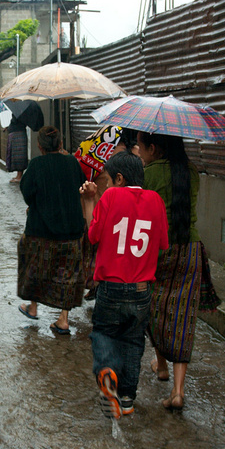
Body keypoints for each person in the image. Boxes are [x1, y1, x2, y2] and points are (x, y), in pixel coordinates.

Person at [80, 151, 169, 419]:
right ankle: (128, 398)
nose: (105, 185)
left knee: (105, 333)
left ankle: (107, 372)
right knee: (133, 342)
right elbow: (163, 244)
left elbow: (93, 236)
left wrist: (89, 201)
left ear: (119, 177)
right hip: (142, 289)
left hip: (111, 286)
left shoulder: (110, 196)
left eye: (108, 180)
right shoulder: (156, 201)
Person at [138, 132, 221, 411]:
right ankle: (177, 390)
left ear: (153, 147)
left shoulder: (147, 173)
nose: (139, 151)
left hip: (158, 250)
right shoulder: (192, 172)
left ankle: (161, 364)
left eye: (141, 146)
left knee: (153, 307)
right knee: (184, 315)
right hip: (191, 250)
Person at [17, 126, 88, 335]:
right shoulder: (72, 163)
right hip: (71, 231)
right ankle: (63, 319)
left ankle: (33, 306)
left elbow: (27, 193)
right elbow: (81, 185)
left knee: (33, 264)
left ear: (40, 146)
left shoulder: (37, 165)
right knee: (69, 273)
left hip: (41, 230)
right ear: (61, 144)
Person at [76, 127, 139, 301]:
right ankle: (99, 285)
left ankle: (97, 285)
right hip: (113, 208)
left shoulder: (100, 147)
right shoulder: (133, 153)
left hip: (99, 205)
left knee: (96, 249)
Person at [6, 115, 28, 183]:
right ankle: (18, 175)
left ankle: (20, 176)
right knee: (16, 156)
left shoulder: (20, 112)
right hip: (16, 134)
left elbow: (15, 121)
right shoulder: (17, 111)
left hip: (18, 135)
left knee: (19, 155)